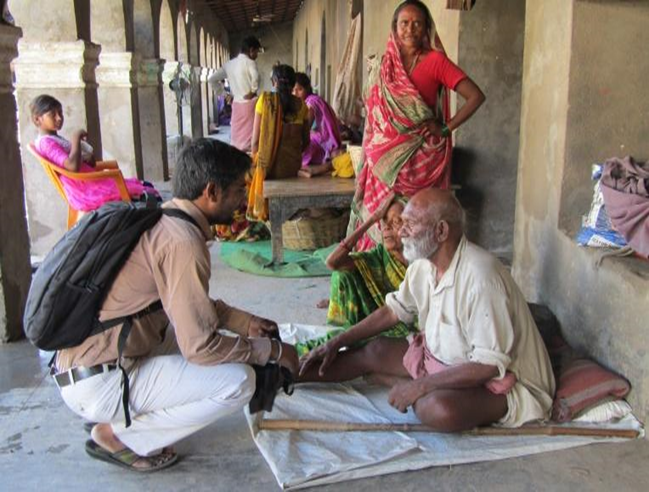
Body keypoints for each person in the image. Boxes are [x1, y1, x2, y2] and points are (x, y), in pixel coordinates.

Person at [53, 139, 299, 471]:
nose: (244, 198)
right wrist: (271, 351)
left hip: (89, 363)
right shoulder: (184, 242)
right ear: (211, 191)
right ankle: (118, 434)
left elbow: (185, 303)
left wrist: (243, 321)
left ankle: (126, 415)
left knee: (206, 341)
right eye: (239, 189)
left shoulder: (166, 218)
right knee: (239, 381)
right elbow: (201, 347)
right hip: (100, 379)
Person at [300, 189, 555, 432]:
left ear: (441, 230)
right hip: (444, 360)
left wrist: (420, 386)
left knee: (437, 408)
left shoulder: (481, 278)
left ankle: (405, 383)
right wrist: (337, 341)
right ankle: (288, 377)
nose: (401, 232)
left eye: (410, 224)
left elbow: (488, 366)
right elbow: (392, 312)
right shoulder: (423, 265)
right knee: (374, 349)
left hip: (508, 383)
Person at [351, 0, 485, 251]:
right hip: (383, 161)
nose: (410, 29)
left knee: (417, 225)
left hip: (422, 161)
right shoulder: (383, 65)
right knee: (384, 222)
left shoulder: (436, 61)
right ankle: (382, 274)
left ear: (426, 29)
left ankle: (419, 279)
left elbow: (476, 96)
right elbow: (374, 112)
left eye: (417, 24)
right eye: (404, 23)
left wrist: (445, 128)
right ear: (395, 27)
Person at [297, 195, 414, 356]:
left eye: (395, 222)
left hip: (405, 324)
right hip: (379, 318)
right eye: (383, 222)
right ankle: (346, 335)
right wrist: (372, 219)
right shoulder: (379, 256)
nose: (386, 227)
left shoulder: (422, 260)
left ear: (411, 227)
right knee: (342, 274)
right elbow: (333, 263)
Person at [31, 94, 158, 212]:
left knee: (146, 186)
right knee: (147, 191)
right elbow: (72, 166)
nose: (59, 118)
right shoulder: (46, 143)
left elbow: (83, 165)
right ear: (38, 119)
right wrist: (76, 137)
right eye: (52, 114)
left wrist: (87, 157)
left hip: (90, 182)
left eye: (60, 113)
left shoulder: (53, 140)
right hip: (85, 190)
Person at [247, 64, 310, 221]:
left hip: (269, 169)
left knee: (246, 176)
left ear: (274, 82)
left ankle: (261, 211)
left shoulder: (265, 100)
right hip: (291, 167)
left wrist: (259, 162)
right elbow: (306, 142)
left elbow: (255, 142)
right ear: (293, 83)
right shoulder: (302, 105)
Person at [208, 36, 262, 152]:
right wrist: (252, 91)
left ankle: (237, 160)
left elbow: (212, 79)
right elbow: (256, 78)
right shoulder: (250, 63)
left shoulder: (229, 64)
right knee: (252, 138)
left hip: (236, 105)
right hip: (250, 105)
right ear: (251, 50)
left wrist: (224, 94)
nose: (257, 55)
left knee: (238, 138)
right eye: (257, 52)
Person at [293, 72, 343, 175]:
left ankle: (323, 162)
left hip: (324, 143)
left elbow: (305, 130)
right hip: (325, 141)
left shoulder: (311, 102)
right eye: (293, 90)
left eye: (299, 89)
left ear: (307, 89)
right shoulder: (313, 100)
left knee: (299, 155)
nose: (295, 93)